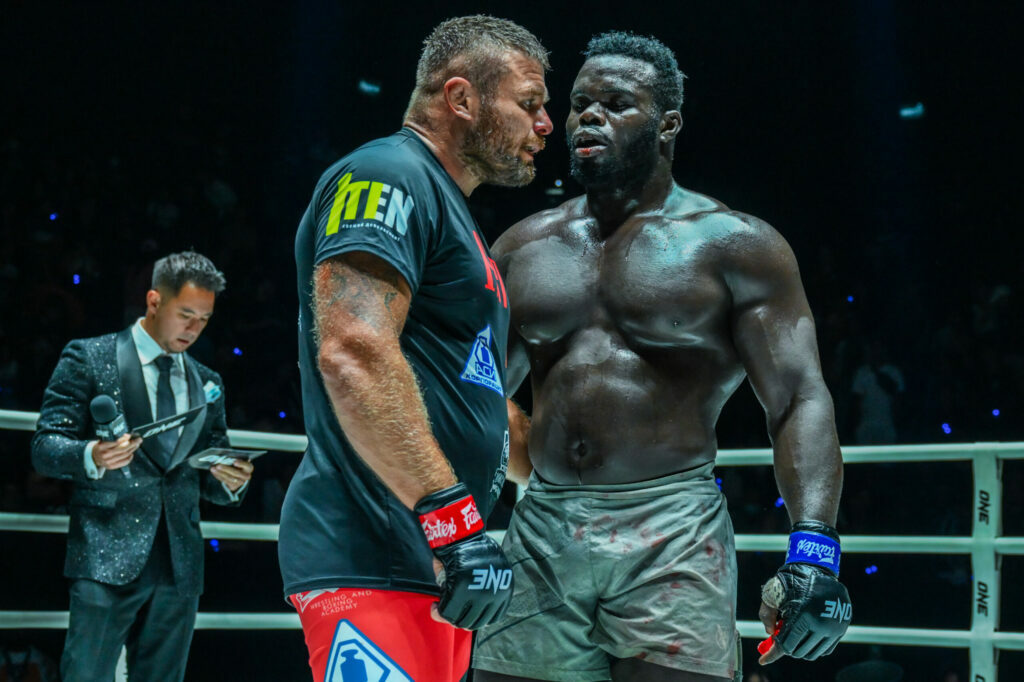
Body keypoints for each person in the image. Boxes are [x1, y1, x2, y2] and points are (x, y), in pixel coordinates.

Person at [473, 32, 851, 682]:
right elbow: (473, 396)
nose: (589, 116)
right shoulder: (523, 246)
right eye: (580, 102)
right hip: (543, 525)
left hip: (672, 529)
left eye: (617, 103)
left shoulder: (735, 246)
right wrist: (459, 525)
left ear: (668, 123)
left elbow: (798, 398)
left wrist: (814, 550)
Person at [277, 15, 552, 682]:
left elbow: (476, 398)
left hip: (429, 559)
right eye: (530, 104)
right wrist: (454, 523)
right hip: (379, 549)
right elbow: (352, 352)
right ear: (461, 99)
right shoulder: (385, 174)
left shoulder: (456, 220)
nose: (545, 126)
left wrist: (580, 488)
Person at [31, 251, 253, 682]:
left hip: (179, 562)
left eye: (204, 319)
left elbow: (209, 462)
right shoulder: (90, 357)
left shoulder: (208, 382)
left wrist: (231, 480)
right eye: (185, 314)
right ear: (154, 302)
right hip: (105, 552)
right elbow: (45, 447)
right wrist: (91, 454)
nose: (194, 328)